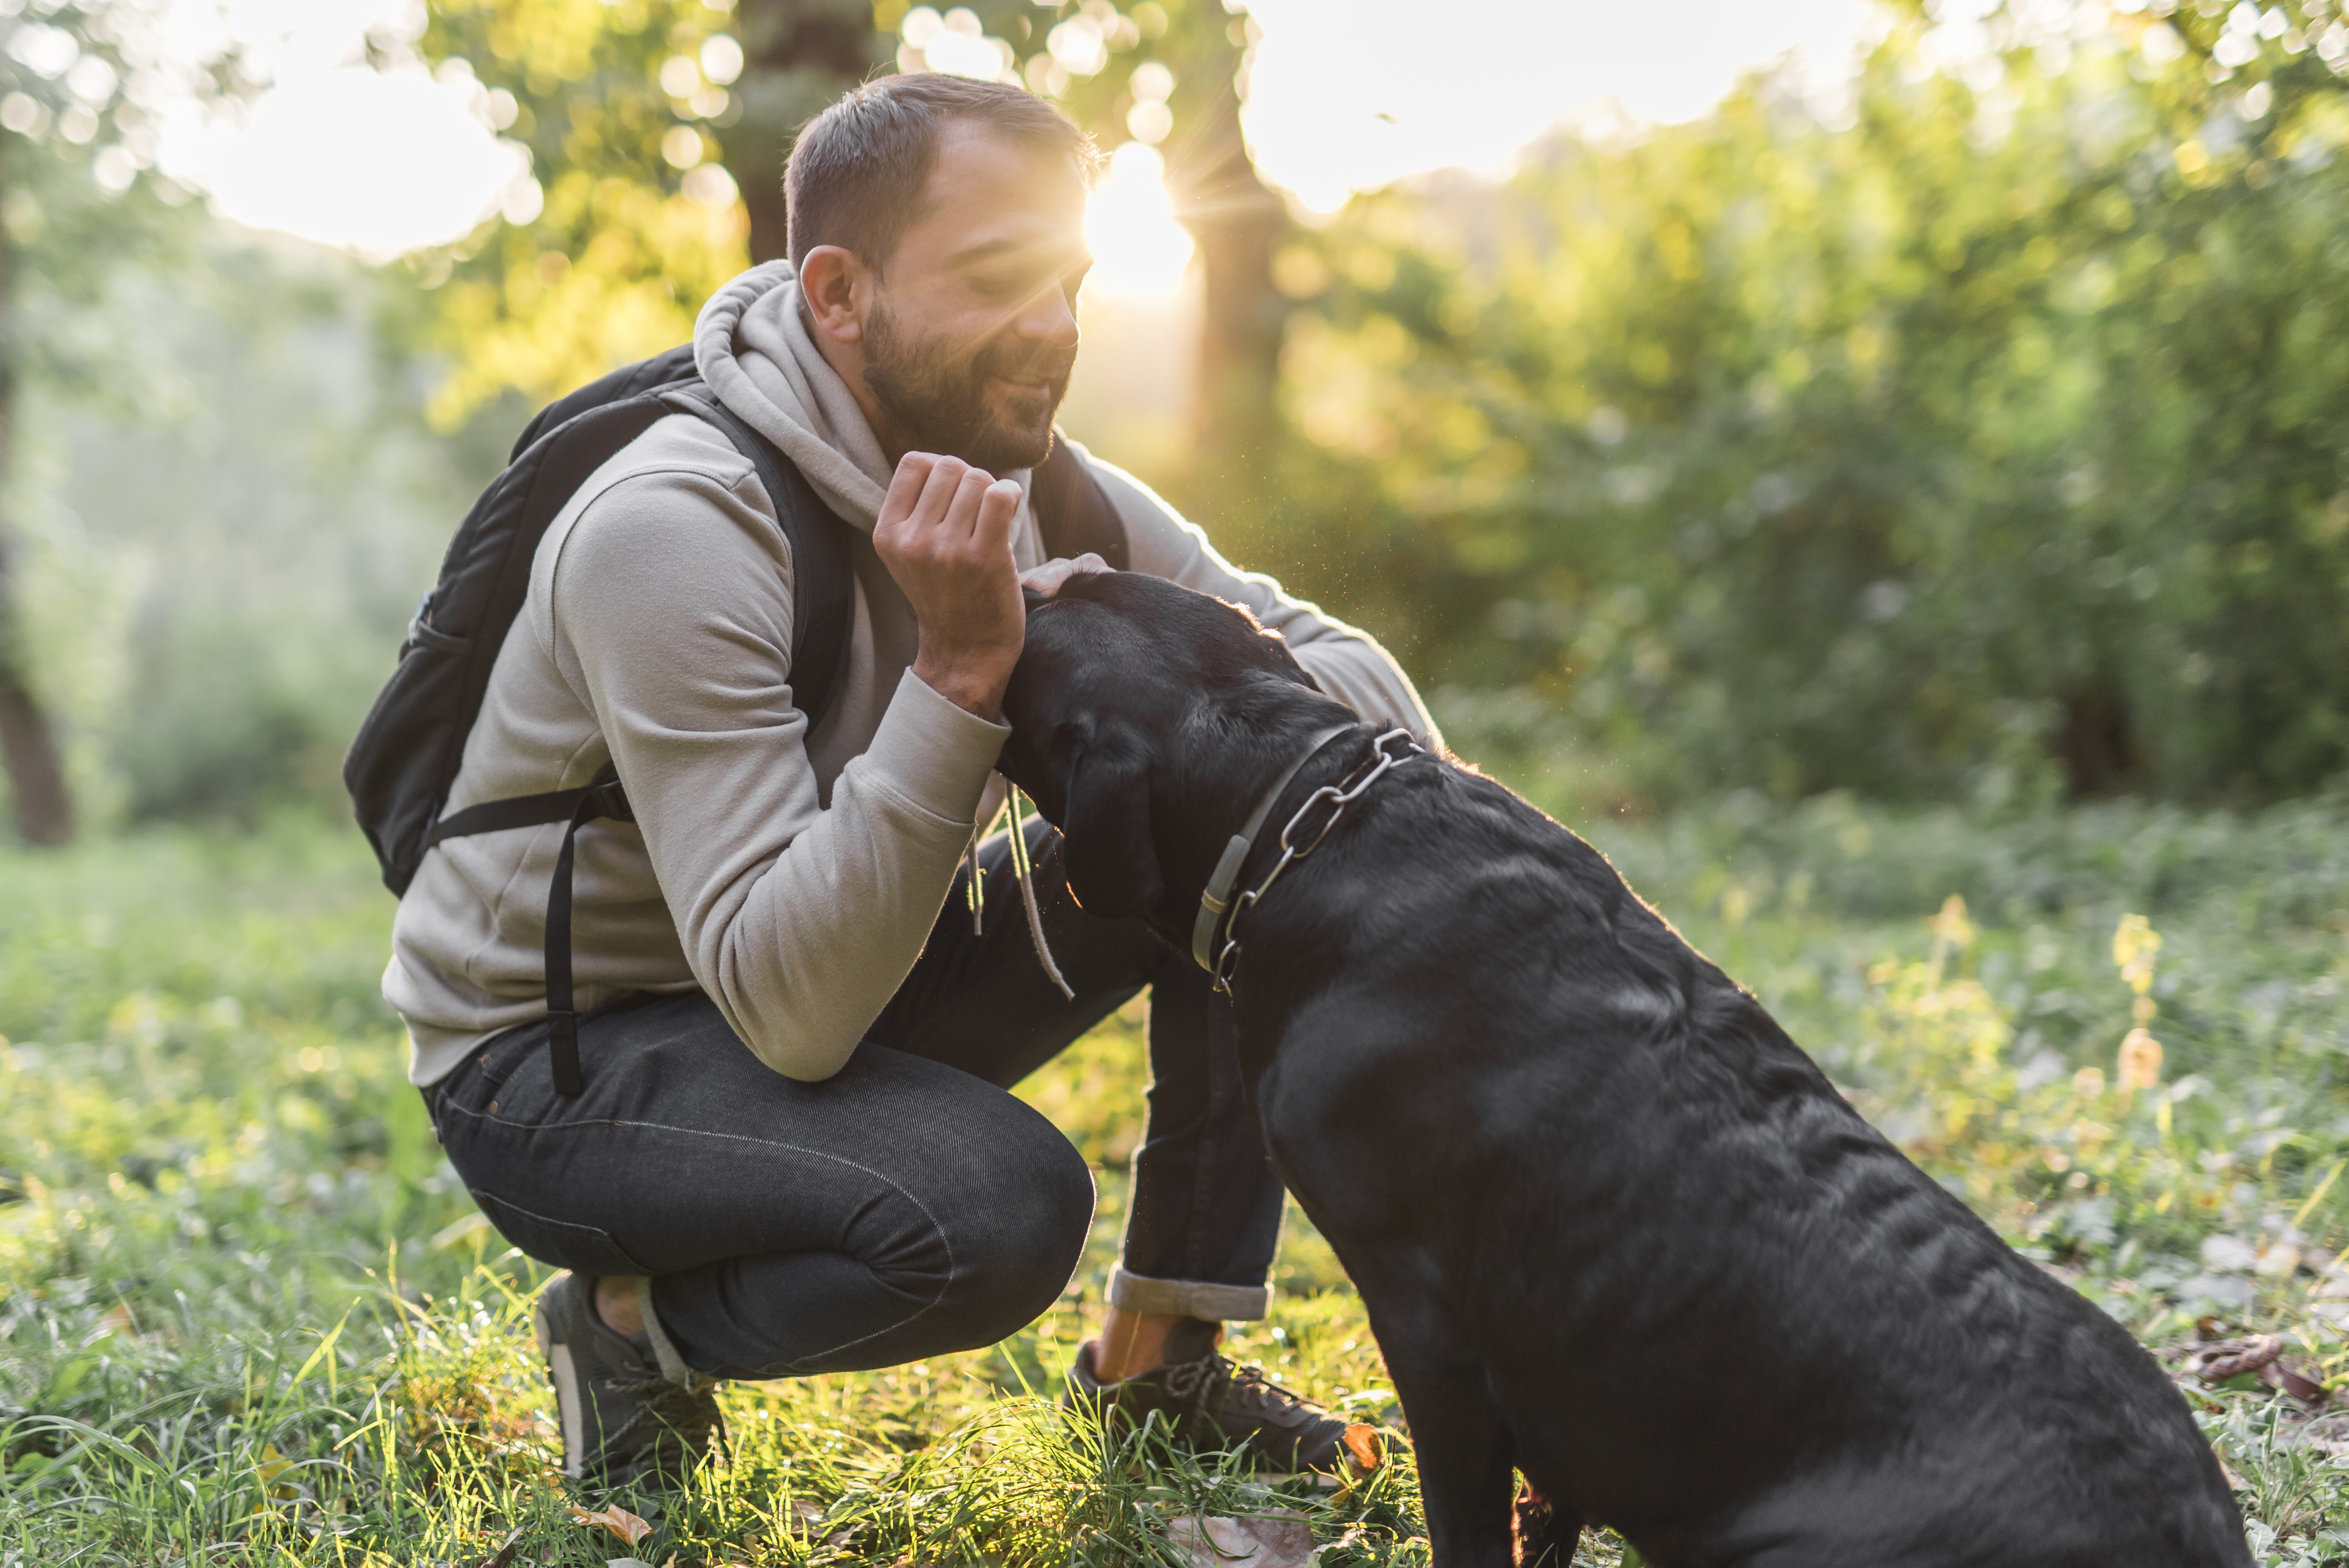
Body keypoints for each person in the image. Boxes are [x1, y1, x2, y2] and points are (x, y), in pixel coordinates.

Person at [385, 71, 1437, 1490]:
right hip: (564, 1064)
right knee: (996, 1209)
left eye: (1069, 282)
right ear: (836, 293)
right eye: (1000, 280)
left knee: (1265, 820)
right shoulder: (671, 527)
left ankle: (1159, 1366)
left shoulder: (1032, 484)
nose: (1053, 331)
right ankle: (627, 1324)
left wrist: (1202, 686)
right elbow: (792, 1009)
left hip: (832, 960)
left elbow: (1349, 680)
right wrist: (960, 676)